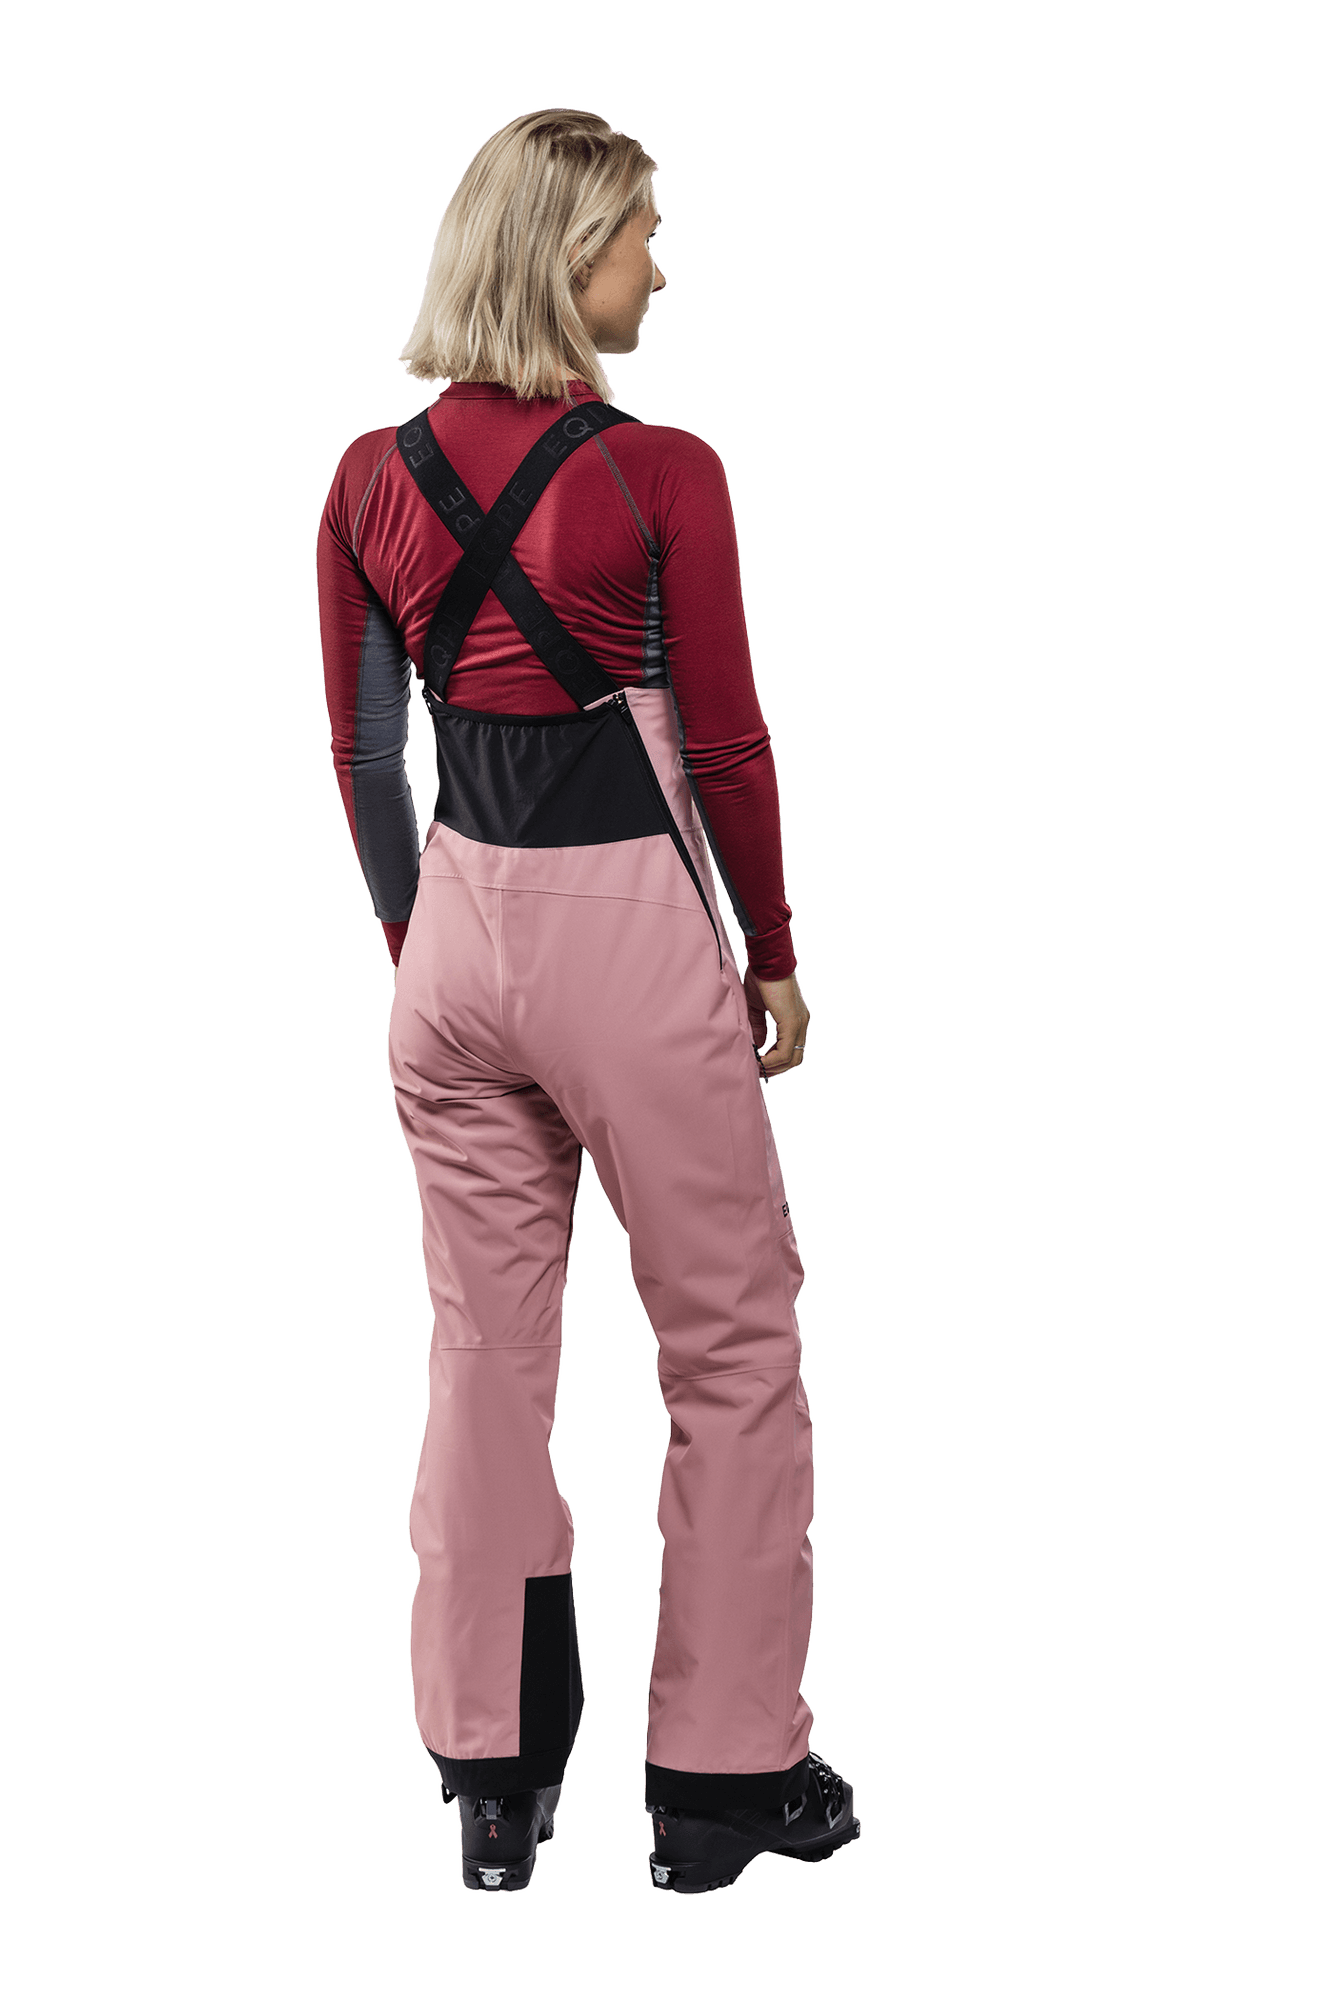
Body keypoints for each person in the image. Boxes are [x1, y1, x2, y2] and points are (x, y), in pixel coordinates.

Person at [314, 106, 859, 1896]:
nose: (661, 269)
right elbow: (731, 745)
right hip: (630, 936)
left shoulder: (368, 476)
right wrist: (771, 949)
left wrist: (424, 948)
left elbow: (366, 756)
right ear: (567, 258)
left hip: (454, 939)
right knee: (731, 1344)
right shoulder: (661, 472)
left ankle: (490, 1773)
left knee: (484, 1355)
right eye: (641, 234)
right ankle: (720, 1783)